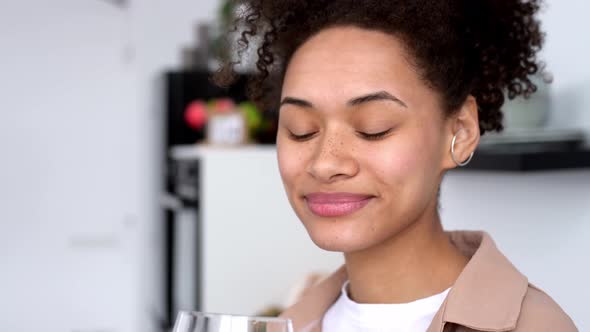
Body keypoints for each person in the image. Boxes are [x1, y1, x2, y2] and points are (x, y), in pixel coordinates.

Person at [214, 1, 578, 331]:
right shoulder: (289, 323)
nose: (325, 163)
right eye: (301, 130)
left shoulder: (536, 327)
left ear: (461, 132)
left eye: (373, 128)